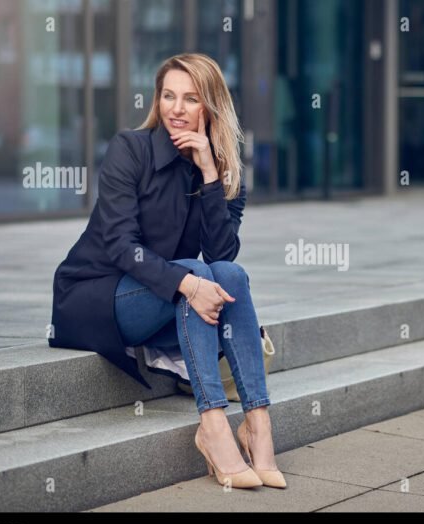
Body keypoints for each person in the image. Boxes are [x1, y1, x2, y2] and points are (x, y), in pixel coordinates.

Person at [48, 53, 285, 489]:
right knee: (198, 275)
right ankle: (213, 426)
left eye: (190, 98)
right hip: (96, 295)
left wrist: (211, 174)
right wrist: (188, 283)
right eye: (168, 96)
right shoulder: (130, 149)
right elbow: (121, 247)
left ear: (210, 107)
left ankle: (258, 424)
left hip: (162, 293)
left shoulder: (225, 172)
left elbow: (222, 256)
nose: (176, 108)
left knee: (230, 277)